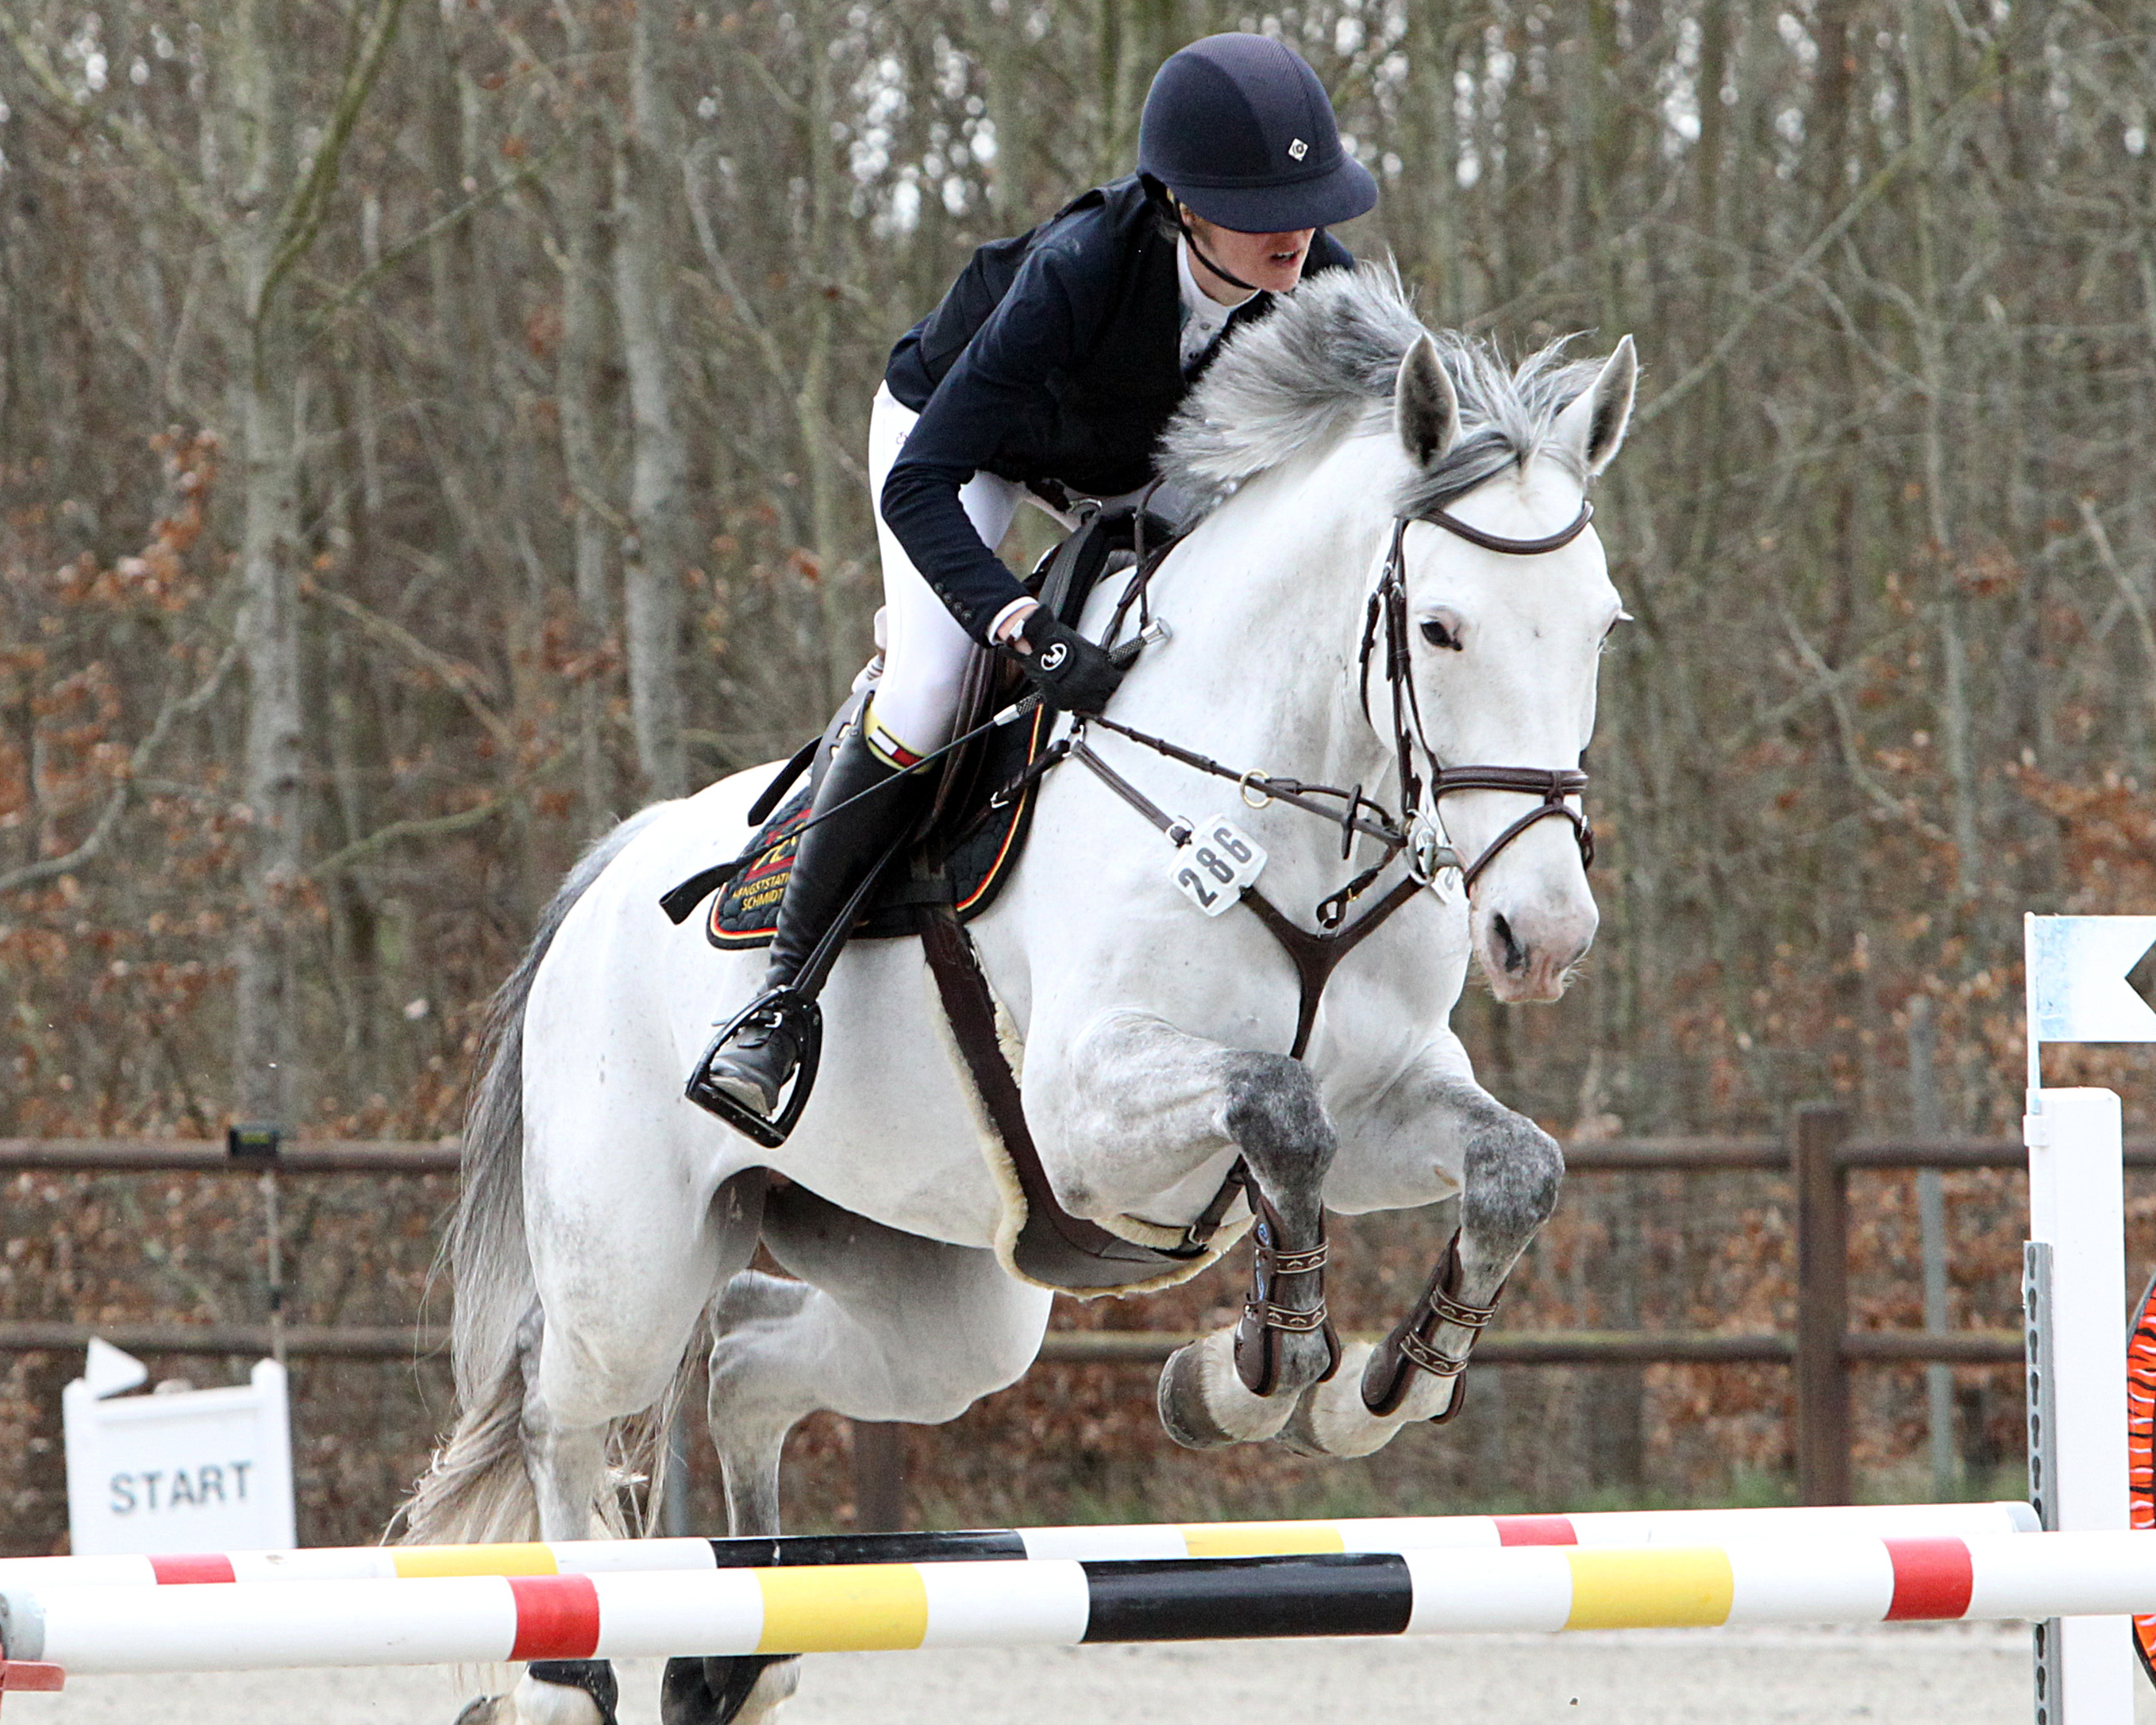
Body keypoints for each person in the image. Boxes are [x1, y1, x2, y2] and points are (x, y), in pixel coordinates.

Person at [687, 32, 1379, 1124]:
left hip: (1131, 471)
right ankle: (778, 1005)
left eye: (1310, 196)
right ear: (1184, 203)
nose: (1296, 226)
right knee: (929, 686)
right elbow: (922, 482)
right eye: (1261, 202)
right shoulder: (1082, 269)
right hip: (959, 442)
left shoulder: (1324, 285)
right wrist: (1017, 622)